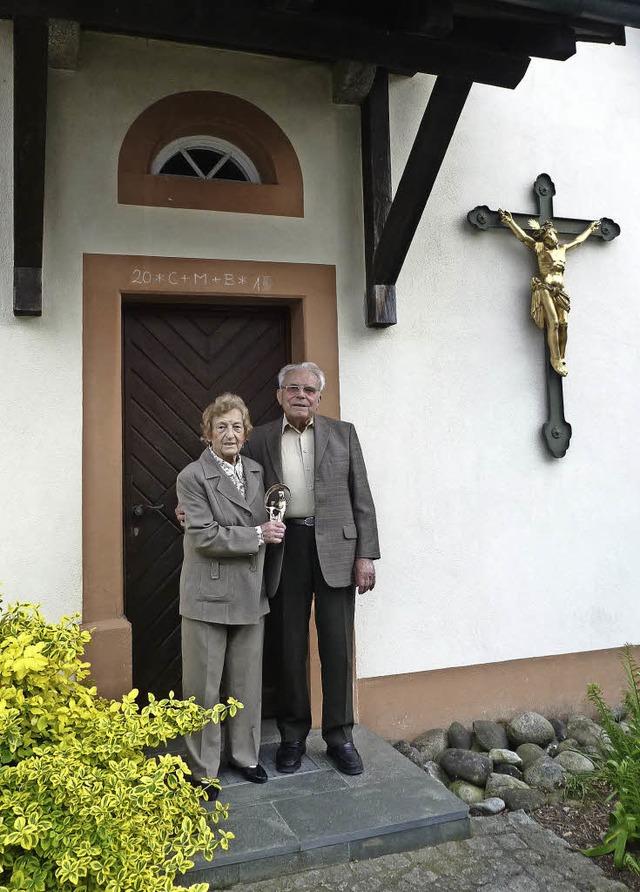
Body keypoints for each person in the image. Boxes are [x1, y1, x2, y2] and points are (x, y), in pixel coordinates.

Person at [243, 361, 380, 777]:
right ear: (279, 394)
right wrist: (191, 502)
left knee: (338, 647)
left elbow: (362, 495)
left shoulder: (344, 434)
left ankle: (339, 737)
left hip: (337, 548)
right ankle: (292, 735)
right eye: (292, 388)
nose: (300, 394)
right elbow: (237, 483)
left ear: (319, 397)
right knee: (288, 647)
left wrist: (366, 555)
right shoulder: (260, 438)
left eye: (308, 389)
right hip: (285, 546)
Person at [176, 393, 285, 796]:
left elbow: (266, 518)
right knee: (203, 688)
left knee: (246, 683)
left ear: (246, 432)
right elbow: (204, 536)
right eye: (221, 426)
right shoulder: (192, 476)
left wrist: (272, 529)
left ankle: (246, 756)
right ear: (207, 434)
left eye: (237, 426)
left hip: (250, 593)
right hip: (207, 595)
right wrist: (259, 534)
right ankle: (203, 769)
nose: (229, 433)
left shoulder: (256, 471)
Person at [498, 210, 600, 376]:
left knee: (564, 324)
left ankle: (562, 356)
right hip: (545, 288)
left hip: (560, 292)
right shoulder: (539, 248)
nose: (553, 236)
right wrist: (510, 221)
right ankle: (555, 358)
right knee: (554, 322)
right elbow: (524, 237)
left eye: (554, 234)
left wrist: (590, 229)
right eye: (550, 234)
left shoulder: (563, 249)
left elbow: (578, 241)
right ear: (544, 237)